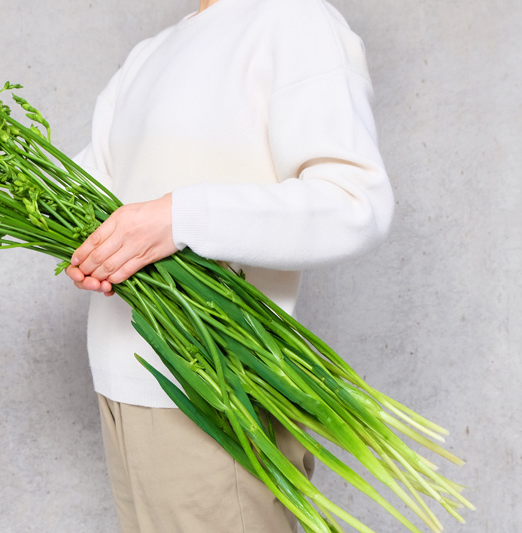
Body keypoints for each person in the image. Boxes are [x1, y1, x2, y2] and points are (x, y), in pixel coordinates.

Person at [67, 0, 394, 531]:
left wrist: (180, 217)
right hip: (121, 388)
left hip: (218, 390)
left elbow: (355, 204)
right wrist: (92, 250)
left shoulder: (294, 20)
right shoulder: (146, 56)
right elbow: (87, 197)